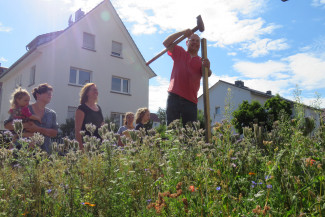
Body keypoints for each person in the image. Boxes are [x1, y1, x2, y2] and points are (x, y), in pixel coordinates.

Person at [163, 29, 212, 126]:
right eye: (192, 40)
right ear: (187, 42)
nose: (195, 42)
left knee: (190, 133)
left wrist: (208, 68)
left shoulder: (201, 61)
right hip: (174, 96)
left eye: (197, 41)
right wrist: (182, 33)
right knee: (172, 129)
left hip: (190, 100)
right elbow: (166, 43)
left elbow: (207, 74)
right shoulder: (179, 52)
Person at [4, 83, 59, 154]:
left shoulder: (52, 114)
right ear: (38, 95)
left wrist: (38, 129)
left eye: (50, 93)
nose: (50, 94)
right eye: (46, 92)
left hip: (44, 154)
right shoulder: (24, 108)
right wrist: (26, 125)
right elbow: (7, 125)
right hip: (21, 153)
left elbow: (54, 133)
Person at [75, 83, 104, 150]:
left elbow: (102, 127)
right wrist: (81, 147)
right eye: (94, 90)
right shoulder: (82, 108)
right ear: (87, 93)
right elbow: (77, 130)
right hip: (86, 145)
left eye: (96, 90)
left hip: (98, 145)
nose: (96, 92)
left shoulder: (99, 108)